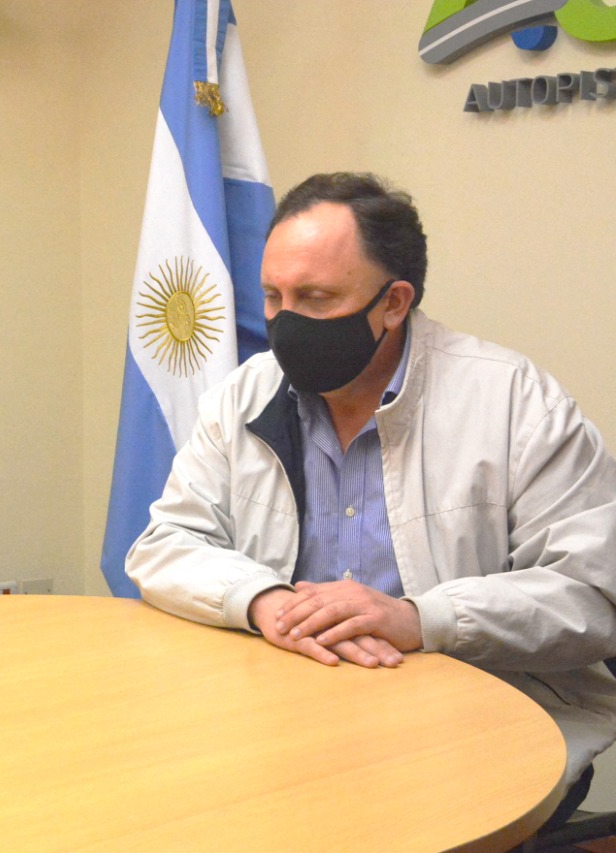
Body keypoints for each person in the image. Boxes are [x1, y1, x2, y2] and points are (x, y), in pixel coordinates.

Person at [125, 172, 616, 825]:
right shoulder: (244, 395)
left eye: (316, 297)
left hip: (480, 721)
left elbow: (593, 596)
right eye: (272, 296)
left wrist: (423, 618)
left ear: (394, 302)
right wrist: (263, 600)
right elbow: (165, 544)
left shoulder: (514, 402)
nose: (286, 322)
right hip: (287, 713)